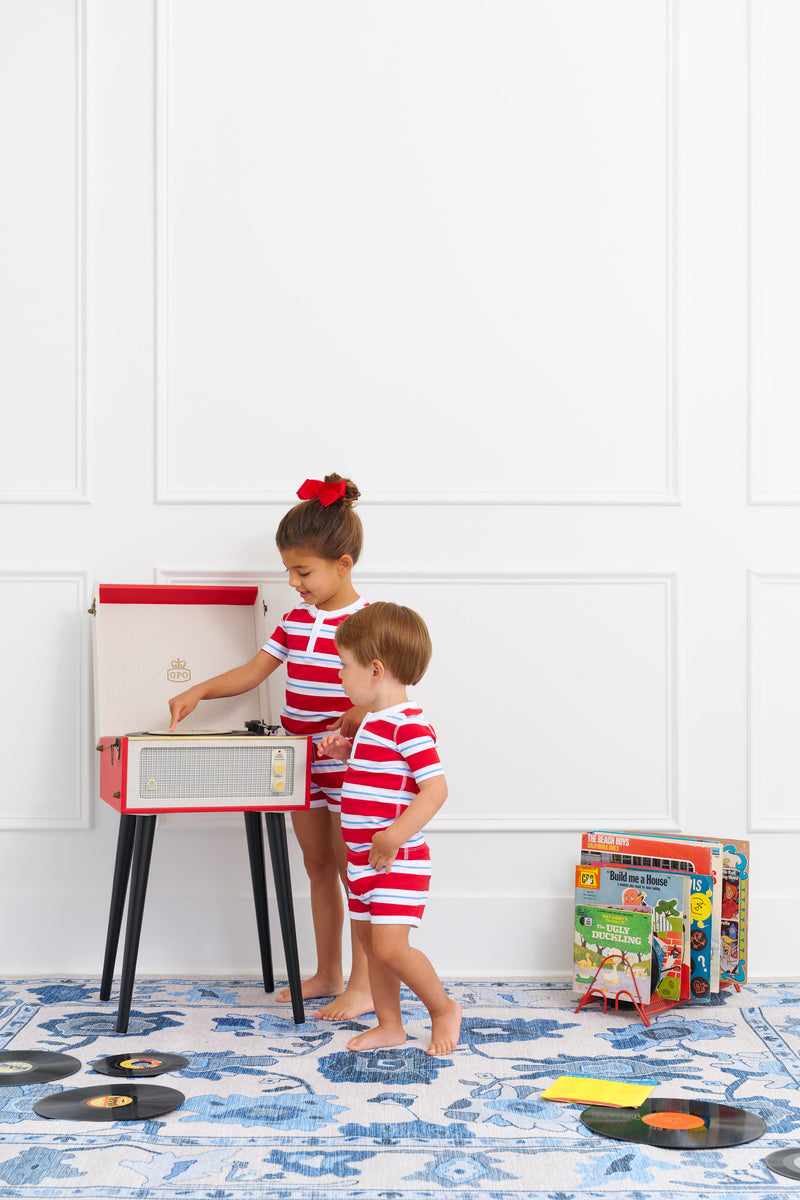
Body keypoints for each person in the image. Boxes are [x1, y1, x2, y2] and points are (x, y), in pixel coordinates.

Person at [168, 474, 373, 1020]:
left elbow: (390, 691)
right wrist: (200, 690)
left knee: (356, 872)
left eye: (303, 571)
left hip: (352, 765)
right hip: (300, 759)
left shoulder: (368, 623)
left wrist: (357, 715)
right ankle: (327, 971)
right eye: (288, 570)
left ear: (343, 564)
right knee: (317, 865)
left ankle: (364, 984)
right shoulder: (294, 621)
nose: (293, 581)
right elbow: (254, 671)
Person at [318, 602, 462, 1056]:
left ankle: (443, 1009)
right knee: (371, 946)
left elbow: (435, 789)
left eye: (345, 665)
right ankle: (390, 1025)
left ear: (375, 670)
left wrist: (395, 835)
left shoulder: (409, 725)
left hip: (397, 859)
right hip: (363, 859)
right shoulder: (372, 723)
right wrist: (346, 754)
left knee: (391, 948)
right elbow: (381, 776)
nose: (340, 674)